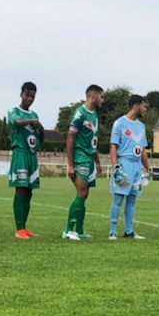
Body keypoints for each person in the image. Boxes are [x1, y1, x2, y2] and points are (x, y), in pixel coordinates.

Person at [63, 84, 104, 240]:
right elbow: (70, 137)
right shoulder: (80, 113)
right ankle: (67, 231)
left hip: (89, 159)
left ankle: (79, 230)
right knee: (81, 193)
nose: (103, 100)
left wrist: (98, 163)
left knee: (85, 194)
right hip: (79, 158)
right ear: (93, 96)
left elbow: (93, 142)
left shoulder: (94, 115)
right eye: (101, 96)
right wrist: (71, 164)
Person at [108, 94, 150, 240]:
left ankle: (129, 231)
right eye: (144, 106)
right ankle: (112, 232)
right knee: (119, 198)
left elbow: (143, 149)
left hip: (136, 166)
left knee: (132, 200)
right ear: (136, 105)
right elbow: (113, 146)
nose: (146, 109)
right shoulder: (119, 123)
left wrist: (147, 168)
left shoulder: (141, 126)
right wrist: (116, 167)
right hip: (124, 163)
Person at [7, 82, 43, 239]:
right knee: (20, 190)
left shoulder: (34, 115)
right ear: (21, 94)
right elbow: (17, 122)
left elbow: (41, 135)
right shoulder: (13, 111)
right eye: (27, 95)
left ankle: (25, 227)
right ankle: (19, 228)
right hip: (20, 154)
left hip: (32, 156)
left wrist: (40, 127)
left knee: (29, 192)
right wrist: (31, 123)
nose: (30, 99)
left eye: (33, 97)